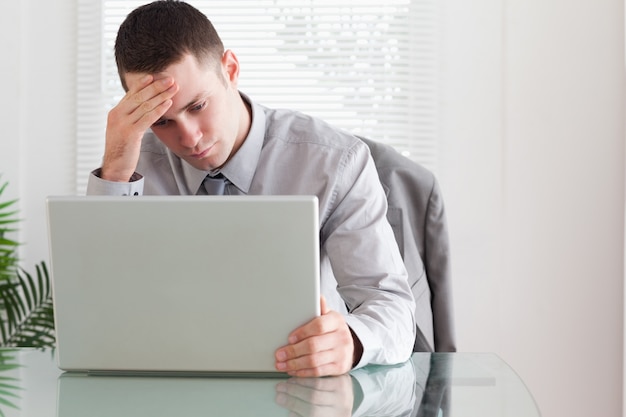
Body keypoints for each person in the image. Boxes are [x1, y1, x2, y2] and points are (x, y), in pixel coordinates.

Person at [87, 0, 416, 377]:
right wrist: (113, 171)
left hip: (301, 386)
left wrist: (353, 341)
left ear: (230, 69)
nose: (189, 138)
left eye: (197, 106)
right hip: (171, 382)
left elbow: (392, 309)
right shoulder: (131, 167)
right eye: (162, 122)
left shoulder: (335, 163)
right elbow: (96, 308)